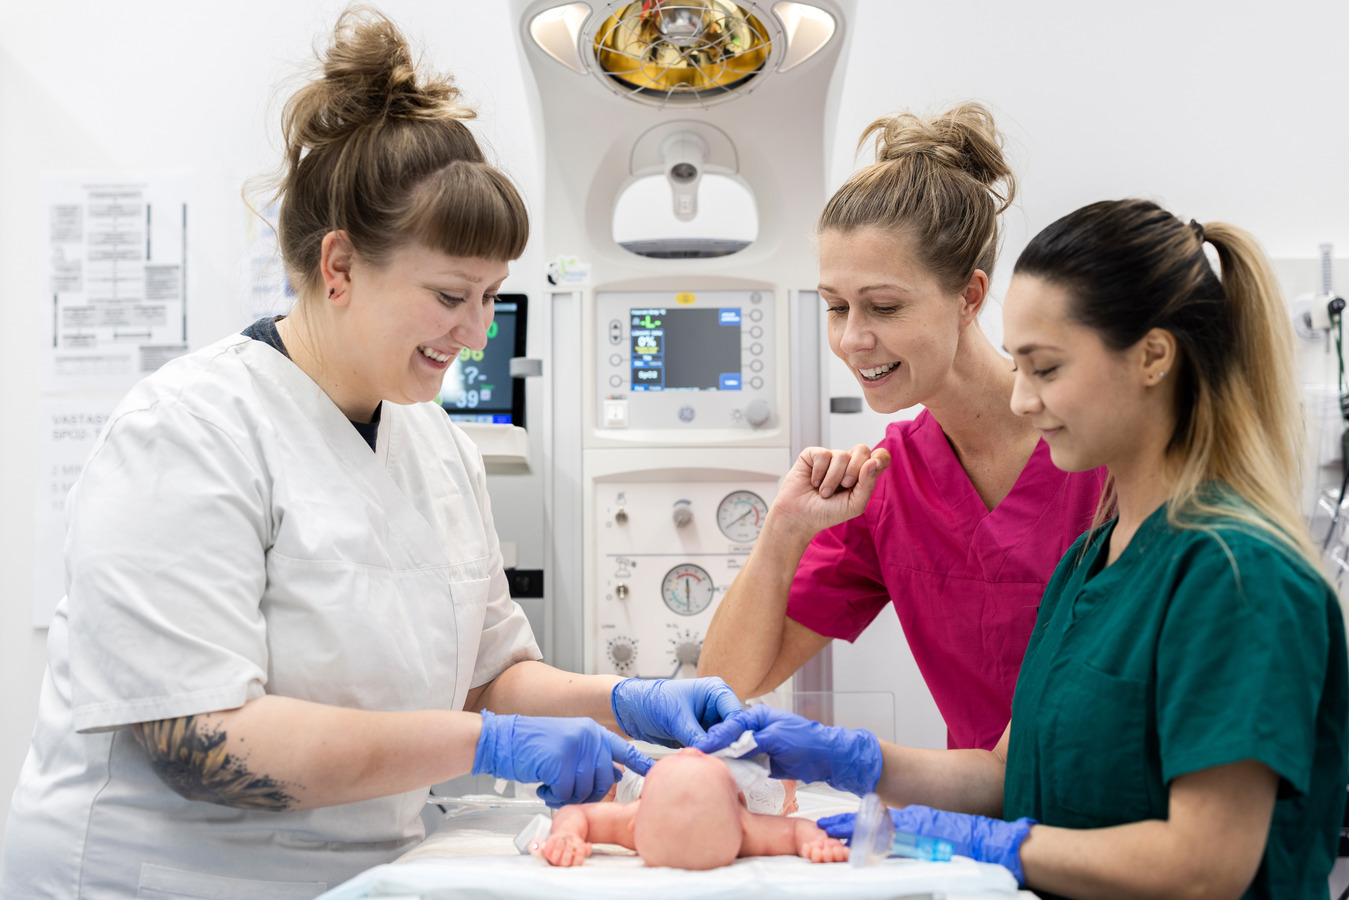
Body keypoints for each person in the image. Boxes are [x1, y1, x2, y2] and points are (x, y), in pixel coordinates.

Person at [0, 9, 739, 899]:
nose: (475, 333)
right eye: (449, 296)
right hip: (160, 879)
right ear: (340, 267)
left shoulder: (435, 445)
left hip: (365, 875)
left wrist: (619, 701)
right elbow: (199, 743)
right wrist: (485, 747)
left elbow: (490, 677)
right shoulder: (190, 431)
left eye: (490, 297)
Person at [698, 199, 1349, 898]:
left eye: (1043, 369)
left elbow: (1205, 866)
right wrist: (845, 760)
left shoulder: (1237, 576)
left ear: (1153, 357)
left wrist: (992, 843)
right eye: (1019, 367)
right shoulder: (1091, 560)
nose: (1019, 400)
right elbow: (1007, 771)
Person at [697, 104, 1105, 751]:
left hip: (1126, 829)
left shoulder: (1099, 453)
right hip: (982, 827)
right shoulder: (888, 483)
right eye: (835, 307)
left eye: (883, 306)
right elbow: (723, 684)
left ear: (969, 297)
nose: (853, 339)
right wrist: (783, 531)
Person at [533, 749, 847, 869]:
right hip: (741, 800)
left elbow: (576, 814)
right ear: (740, 816)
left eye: (683, 756)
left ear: (637, 822)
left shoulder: (633, 818)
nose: (692, 751)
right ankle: (784, 797)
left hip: (646, 790)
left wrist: (566, 834)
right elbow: (796, 831)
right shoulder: (746, 830)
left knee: (607, 771)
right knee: (783, 782)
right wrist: (815, 842)